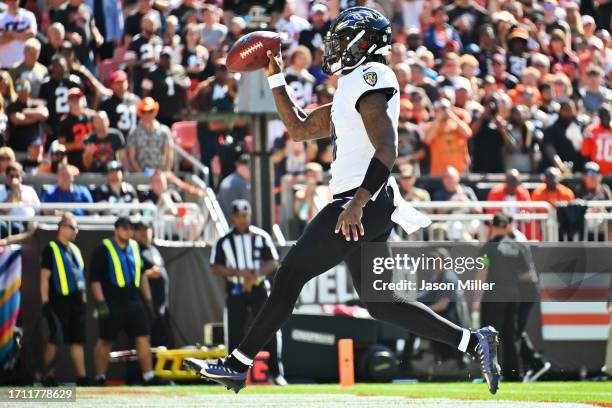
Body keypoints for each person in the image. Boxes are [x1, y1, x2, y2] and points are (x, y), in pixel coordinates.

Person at [184, 7, 501, 395]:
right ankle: (474, 340)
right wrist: (275, 75)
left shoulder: (371, 78)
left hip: (361, 199)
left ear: (363, 43)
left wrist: (357, 202)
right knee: (381, 303)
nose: (332, 48)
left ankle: (237, 364)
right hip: (367, 201)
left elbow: (388, 148)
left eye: (340, 40)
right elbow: (300, 128)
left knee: (291, 273)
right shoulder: (350, 86)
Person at [210, 200, 285, 385]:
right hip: (236, 291)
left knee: (270, 328)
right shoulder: (224, 241)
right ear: (232, 218)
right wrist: (238, 274)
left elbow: (273, 261)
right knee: (234, 333)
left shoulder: (261, 236)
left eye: (245, 215)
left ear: (249, 215)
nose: (242, 220)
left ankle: (276, 373)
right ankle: (232, 374)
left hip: (259, 289)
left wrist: (254, 276)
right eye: (238, 216)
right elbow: (216, 266)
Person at [90, 217, 168, 386]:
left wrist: (147, 301)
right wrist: (100, 302)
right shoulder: (103, 249)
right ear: (116, 229)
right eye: (124, 228)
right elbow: (94, 280)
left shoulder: (134, 247)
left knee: (143, 337)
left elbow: (141, 276)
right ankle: (100, 377)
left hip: (133, 300)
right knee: (105, 340)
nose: (128, 231)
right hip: (111, 301)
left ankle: (148, 375)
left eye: (130, 228)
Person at [474, 212, 533, 381]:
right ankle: (515, 374)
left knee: (490, 337)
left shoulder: (487, 248)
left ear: (493, 226)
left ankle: (491, 374)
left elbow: (482, 273)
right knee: (510, 335)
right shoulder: (517, 247)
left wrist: (476, 299)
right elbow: (526, 275)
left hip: (493, 297)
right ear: (507, 226)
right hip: (513, 296)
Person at [39, 213, 89, 386]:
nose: (76, 231)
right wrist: (45, 302)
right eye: (73, 227)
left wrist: (83, 299)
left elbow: (80, 277)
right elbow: (44, 277)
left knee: (77, 339)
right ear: (62, 227)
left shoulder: (75, 250)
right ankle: (48, 376)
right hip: (57, 300)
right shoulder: (51, 249)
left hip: (75, 302)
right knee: (55, 338)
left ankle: (81, 377)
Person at [133, 220, 172, 347]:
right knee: (148, 340)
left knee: (163, 340)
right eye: (140, 230)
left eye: (146, 229)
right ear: (135, 233)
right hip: (146, 305)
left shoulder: (154, 249)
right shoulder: (134, 250)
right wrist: (149, 273)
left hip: (161, 305)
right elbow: (135, 275)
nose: (144, 233)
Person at [141, 47, 189, 126]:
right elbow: (145, 93)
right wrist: (148, 110)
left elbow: (185, 90)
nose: (165, 60)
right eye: (163, 57)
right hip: (160, 114)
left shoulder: (180, 70)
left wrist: (187, 107)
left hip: (177, 112)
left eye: (167, 57)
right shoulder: (152, 72)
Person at [424, 98, 473, 176]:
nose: (444, 111)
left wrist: (453, 116)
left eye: (445, 108)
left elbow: (468, 133)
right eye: (441, 108)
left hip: (459, 170)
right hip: (439, 171)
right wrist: (438, 119)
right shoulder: (430, 126)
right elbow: (427, 140)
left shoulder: (457, 124)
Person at [126, 97, 173, 172]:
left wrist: (165, 173)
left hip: (160, 176)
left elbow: (169, 155)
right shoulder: (133, 133)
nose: (147, 114)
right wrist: (142, 175)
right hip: (141, 177)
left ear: (155, 111)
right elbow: (132, 158)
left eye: (150, 111)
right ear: (140, 112)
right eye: (144, 111)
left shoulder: (164, 131)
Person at [540, 99, 585, 173]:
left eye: (570, 109)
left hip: (578, 169)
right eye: (565, 110)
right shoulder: (552, 128)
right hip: (559, 171)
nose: (568, 112)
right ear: (560, 111)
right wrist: (559, 165)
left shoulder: (580, 126)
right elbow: (549, 149)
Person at [6, 79, 48, 155]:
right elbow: (17, 119)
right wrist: (36, 116)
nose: (22, 91)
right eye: (19, 88)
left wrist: (26, 111)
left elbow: (44, 114)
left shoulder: (36, 103)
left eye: (25, 88)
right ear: (16, 90)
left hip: (34, 151)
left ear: (30, 89)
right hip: (17, 149)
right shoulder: (12, 106)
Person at [57, 87, 94, 170]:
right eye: (72, 98)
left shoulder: (92, 116)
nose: (75, 101)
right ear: (68, 101)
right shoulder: (64, 121)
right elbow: (61, 146)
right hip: (75, 160)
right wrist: (78, 145)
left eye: (78, 98)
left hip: (93, 156)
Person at [97, 70, 140, 140]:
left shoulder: (136, 100)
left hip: (134, 141)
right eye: (117, 83)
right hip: (116, 142)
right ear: (112, 85)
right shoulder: (106, 103)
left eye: (122, 82)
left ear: (127, 82)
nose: (121, 85)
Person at [0, 161, 39, 238]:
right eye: (12, 176)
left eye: (17, 176)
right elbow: (5, 209)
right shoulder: (1, 190)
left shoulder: (30, 190)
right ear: (6, 176)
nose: (14, 179)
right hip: (9, 225)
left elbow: (39, 210)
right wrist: (13, 191)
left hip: (29, 224)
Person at [0, 0, 37, 70]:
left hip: (24, 65)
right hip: (5, 66)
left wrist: (11, 34)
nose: (12, 2)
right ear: (6, 1)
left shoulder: (28, 15)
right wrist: (21, 33)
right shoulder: (1, 18)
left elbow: (32, 34)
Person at [217, 154, 251, 221]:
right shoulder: (241, 184)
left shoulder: (228, 180)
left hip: (223, 224)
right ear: (242, 167)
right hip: (234, 226)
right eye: (249, 168)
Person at [581, 104, 612, 175]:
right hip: (595, 173)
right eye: (603, 114)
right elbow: (585, 154)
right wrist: (589, 172)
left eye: (607, 114)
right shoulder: (590, 131)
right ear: (599, 116)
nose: (606, 117)